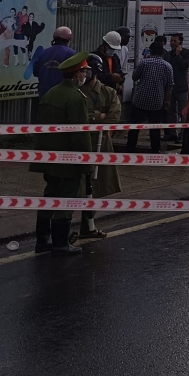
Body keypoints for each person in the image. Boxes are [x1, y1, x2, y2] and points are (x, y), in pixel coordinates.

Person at [31, 52, 93, 255]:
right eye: (84, 71)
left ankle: (42, 241)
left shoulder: (51, 93)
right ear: (76, 75)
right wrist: (86, 163)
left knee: (49, 195)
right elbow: (80, 135)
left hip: (48, 158)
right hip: (67, 160)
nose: (85, 75)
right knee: (66, 198)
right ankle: (60, 242)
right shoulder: (75, 98)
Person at [75, 53, 122, 239]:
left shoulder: (108, 92)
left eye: (87, 71)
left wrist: (95, 117)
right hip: (81, 143)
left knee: (95, 186)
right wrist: (98, 116)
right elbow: (79, 118)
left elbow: (114, 117)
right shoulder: (76, 92)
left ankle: (89, 226)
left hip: (102, 145)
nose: (85, 75)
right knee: (77, 187)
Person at [126, 39, 174, 153]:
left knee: (134, 126)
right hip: (157, 102)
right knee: (155, 128)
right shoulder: (168, 66)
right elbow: (170, 86)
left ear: (150, 51)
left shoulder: (144, 63)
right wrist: (167, 100)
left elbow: (134, 77)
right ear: (162, 52)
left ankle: (130, 148)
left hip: (140, 100)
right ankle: (155, 149)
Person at [27, 27, 75, 114]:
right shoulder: (71, 54)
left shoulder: (43, 53)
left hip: (44, 97)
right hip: (63, 99)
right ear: (69, 39)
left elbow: (35, 72)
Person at [164, 34, 189, 143]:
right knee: (171, 111)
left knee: (183, 112)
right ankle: (172, 133)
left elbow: (184, 66)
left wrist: (178, 55)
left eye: (174, 41)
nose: (172, 43)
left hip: (181, 87)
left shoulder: (187, 53)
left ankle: (183, 134)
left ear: (180, 42)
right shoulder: (168, 54)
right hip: (170, 87)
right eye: (171, 41)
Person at [95, 31, 126, 98]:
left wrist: (121, 79)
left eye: (114, 49)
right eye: (111, 48)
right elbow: (94, 75)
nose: (113, 51)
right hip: (99, 93)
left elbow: (119, 71)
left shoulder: (115, 58)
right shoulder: (95, 57)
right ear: (105, 45)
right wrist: (110, 77)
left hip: (112, 93)